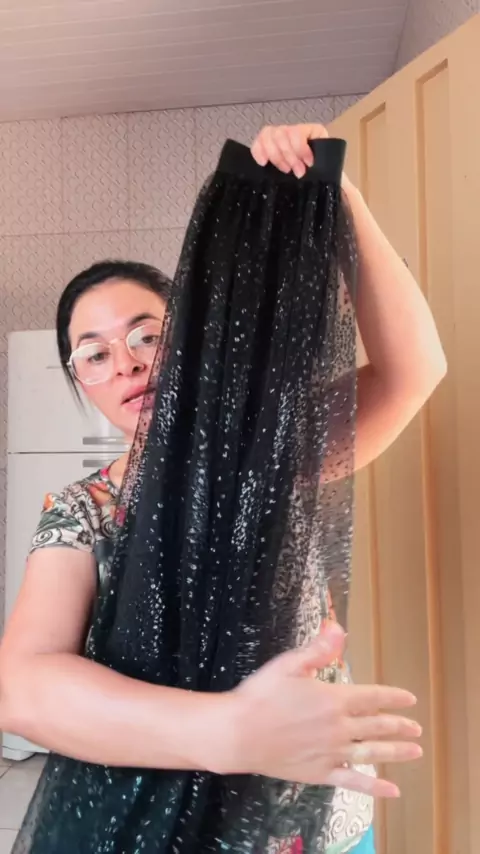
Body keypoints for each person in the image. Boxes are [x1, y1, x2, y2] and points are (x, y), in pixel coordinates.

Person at [0, 122, 446, 854]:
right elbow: (22, 685)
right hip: (161, 825)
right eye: (94, 354)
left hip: (312, 821)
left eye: (147, 335)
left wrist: (339, 195)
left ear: (193, 336)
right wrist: (229, 731)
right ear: (81, 382)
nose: (126, 364)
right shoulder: (83, 511)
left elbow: (413, 370)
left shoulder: (278, 456)